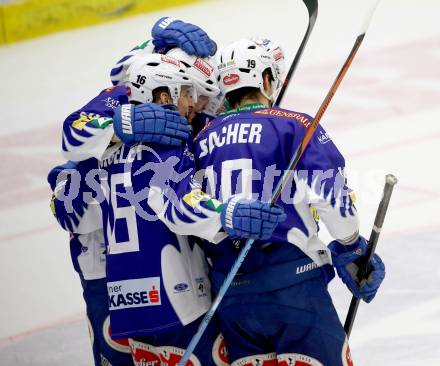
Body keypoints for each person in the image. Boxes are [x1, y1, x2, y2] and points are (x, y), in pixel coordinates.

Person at [191, 38, 386, 366]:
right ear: (266, 79)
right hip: (294, 287)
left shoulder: (199, 141)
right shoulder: (293, 124)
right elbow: (331, 195)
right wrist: (351, 244)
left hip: (231, 296)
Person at [48, 160, 134, 366]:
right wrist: (90, 159)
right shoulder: (65, 172)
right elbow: (68, 216)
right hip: (101, 284)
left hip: (145, 273)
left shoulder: (138, 156)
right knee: (114, 356)